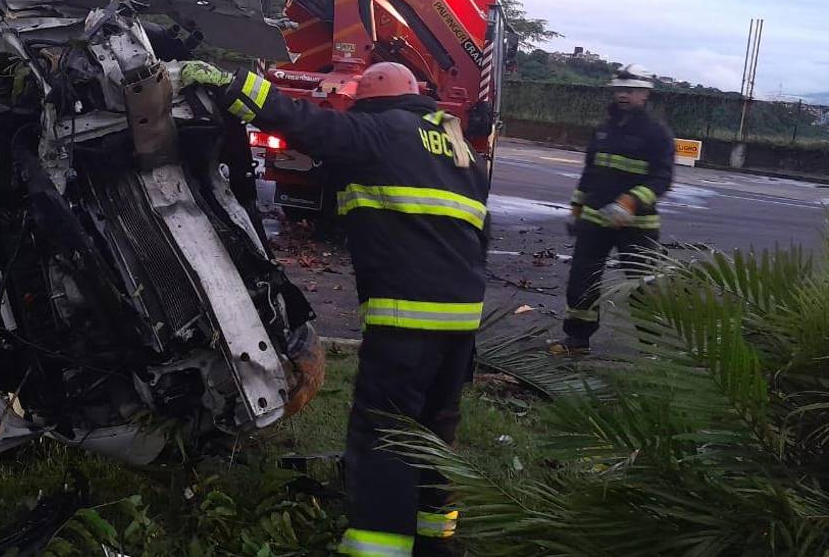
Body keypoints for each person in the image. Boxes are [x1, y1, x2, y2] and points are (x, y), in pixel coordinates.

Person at [180, 59, 489, 557]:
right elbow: (480, 236)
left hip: (407, 319)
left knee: (385, 432)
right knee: (435, 426)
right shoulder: (460, 151)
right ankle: (436, 540)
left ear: (372, 102)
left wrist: (234, 86)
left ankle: (378, 548)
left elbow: (306, 124)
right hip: (461, 320)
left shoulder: (381, 132)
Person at [550, 64, 675, 355]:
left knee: (642, 285)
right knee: (582, 281)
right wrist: (577, 208)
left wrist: (630, 201)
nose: (623, 95)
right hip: (594, 222)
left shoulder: (657, 134)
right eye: (619, 89)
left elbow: (662, 178)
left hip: (637, 226)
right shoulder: (604, 130)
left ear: (645, 94)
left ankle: (653, 346)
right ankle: (577, 341)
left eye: (630, 90)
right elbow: (590, 173)